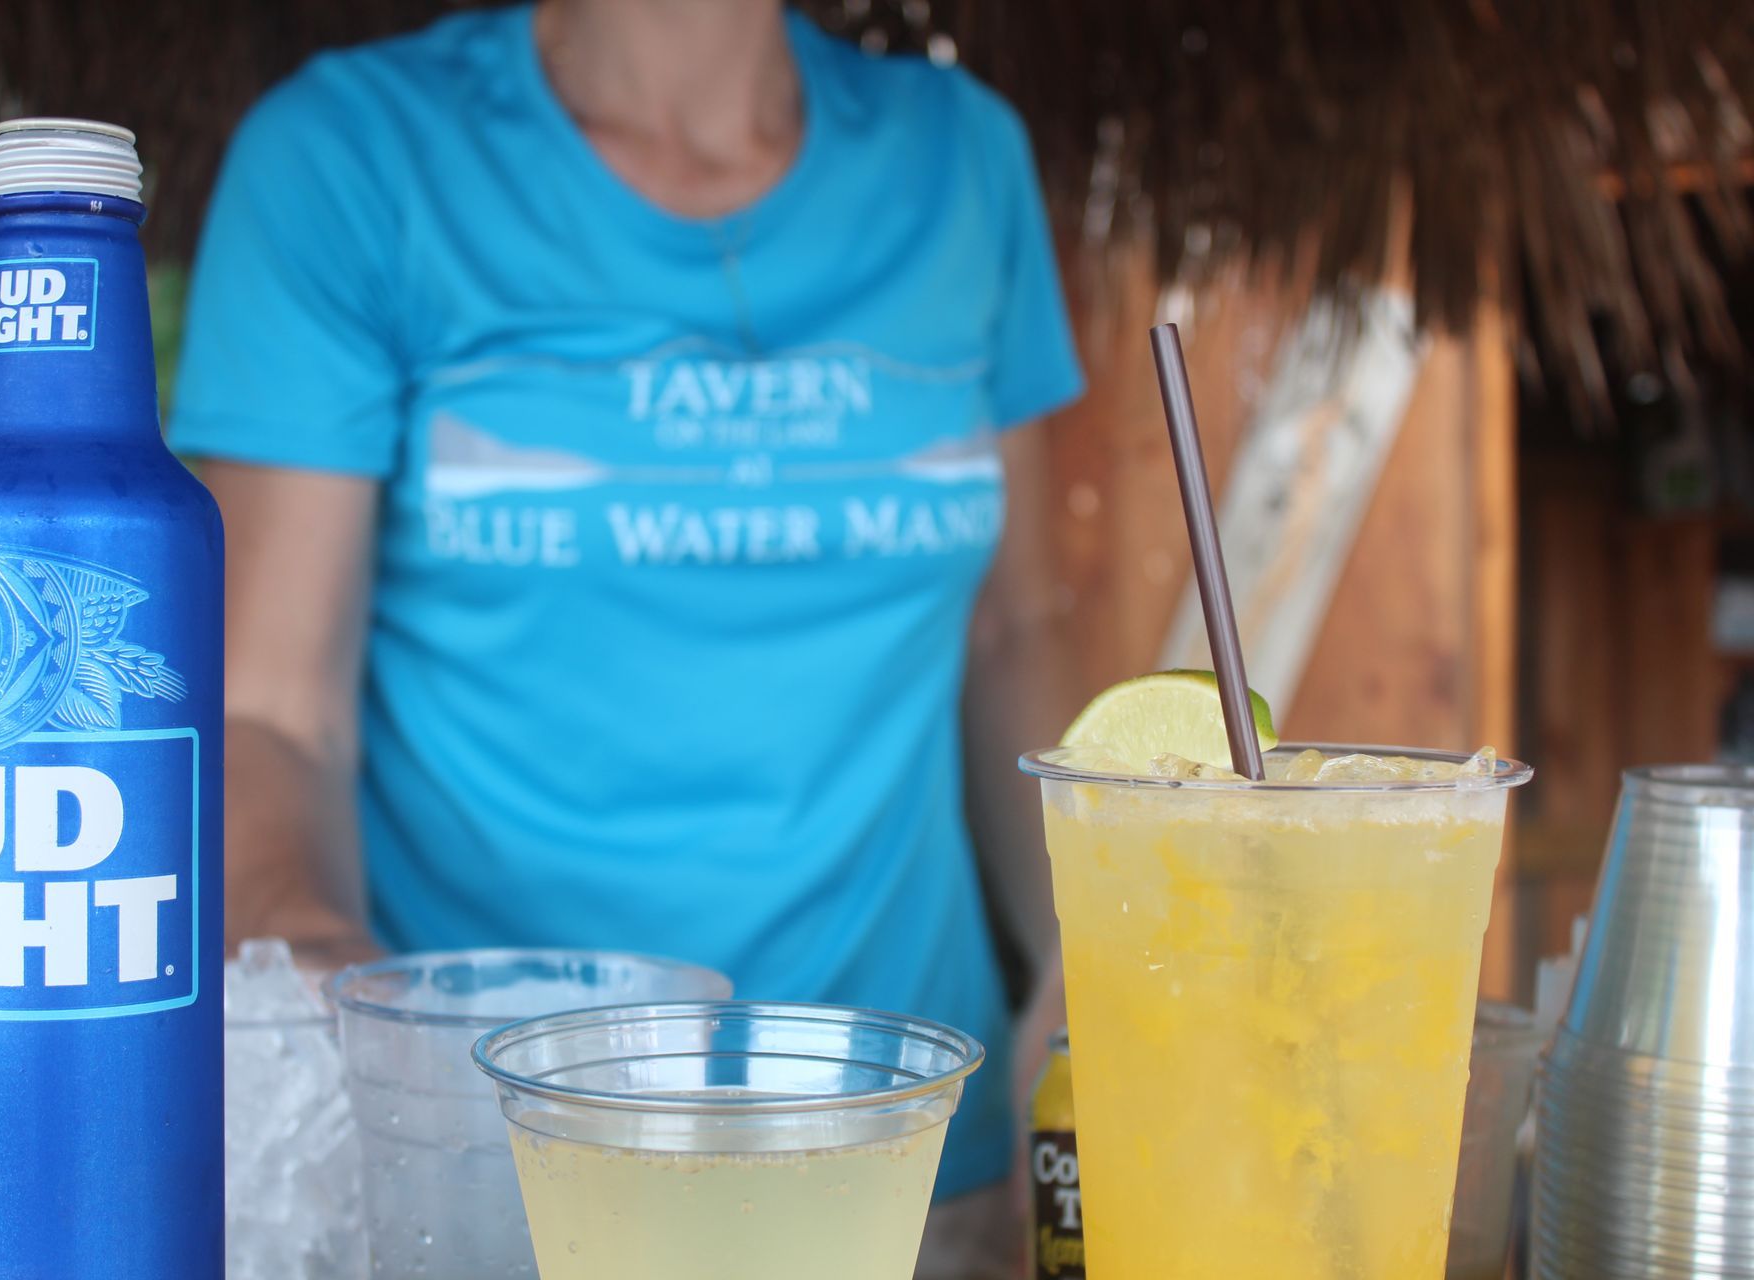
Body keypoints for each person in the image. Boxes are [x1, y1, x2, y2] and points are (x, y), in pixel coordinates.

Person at [169, 0, 1082, 1266]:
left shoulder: (963, 157)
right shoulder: (354, 152)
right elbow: (270, 709)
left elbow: (1013, 624)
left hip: (910, 1159)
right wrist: (336, 979)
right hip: (508, 1178)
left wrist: (1084, 960)